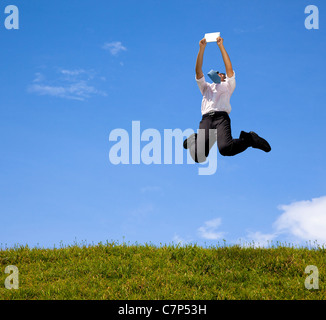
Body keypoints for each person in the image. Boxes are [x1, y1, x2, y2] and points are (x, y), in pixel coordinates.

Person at [183, 36, 271, 163]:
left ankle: (250, 139)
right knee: (199, 157)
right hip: (206, 119)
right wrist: (201, 49)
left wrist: (221, 46)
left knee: (225, 148)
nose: (219, 73)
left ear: (223, 76)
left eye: (221, 73)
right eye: (216, 72)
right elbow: (198, 71)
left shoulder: (228, 85)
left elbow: (229, 68)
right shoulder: (206, 87)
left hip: (221, 118)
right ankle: (194, 140)